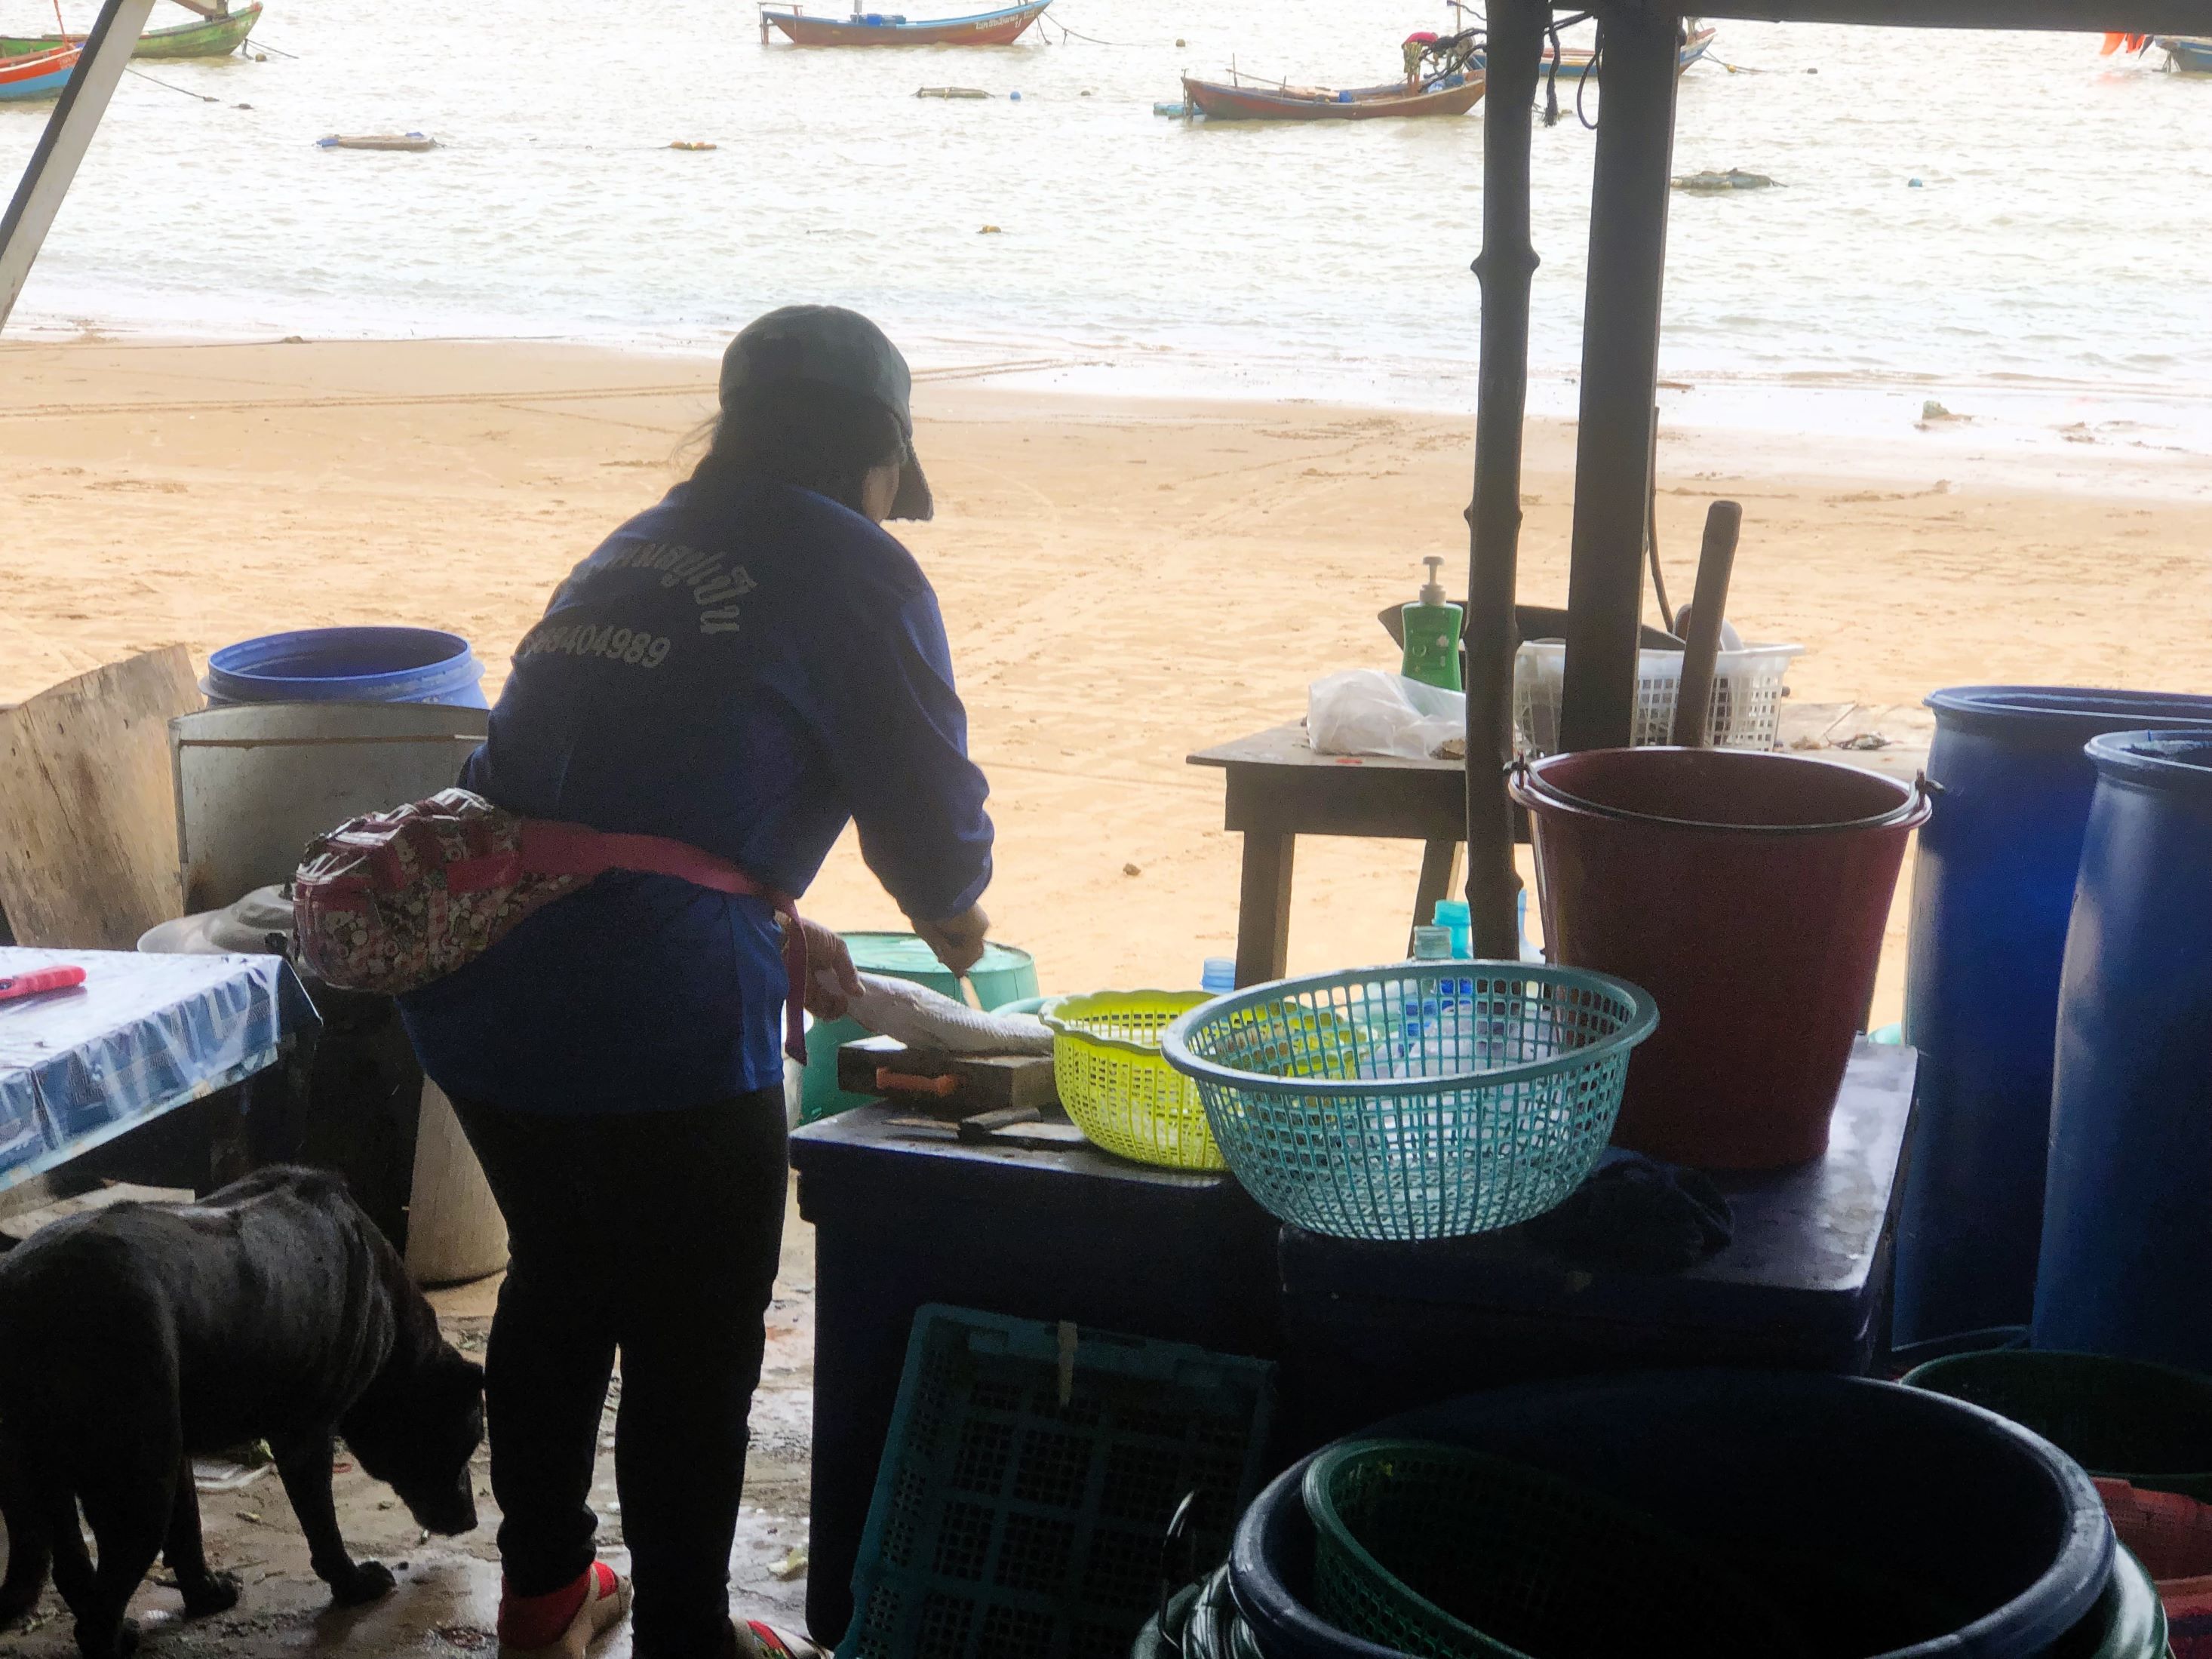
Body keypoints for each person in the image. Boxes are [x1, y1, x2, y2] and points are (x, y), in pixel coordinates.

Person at [399, 305, 994, 1659]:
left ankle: (545, 1598)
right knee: (695, 1333)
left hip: (478, 979)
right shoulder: (859, 564)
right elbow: (933, 829)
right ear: (882, 453)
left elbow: (630, 781)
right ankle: (683, 1637)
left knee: (561, 1279)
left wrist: (773, 911)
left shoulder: (645, 538)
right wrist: (961, 928)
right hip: (650, 1004)